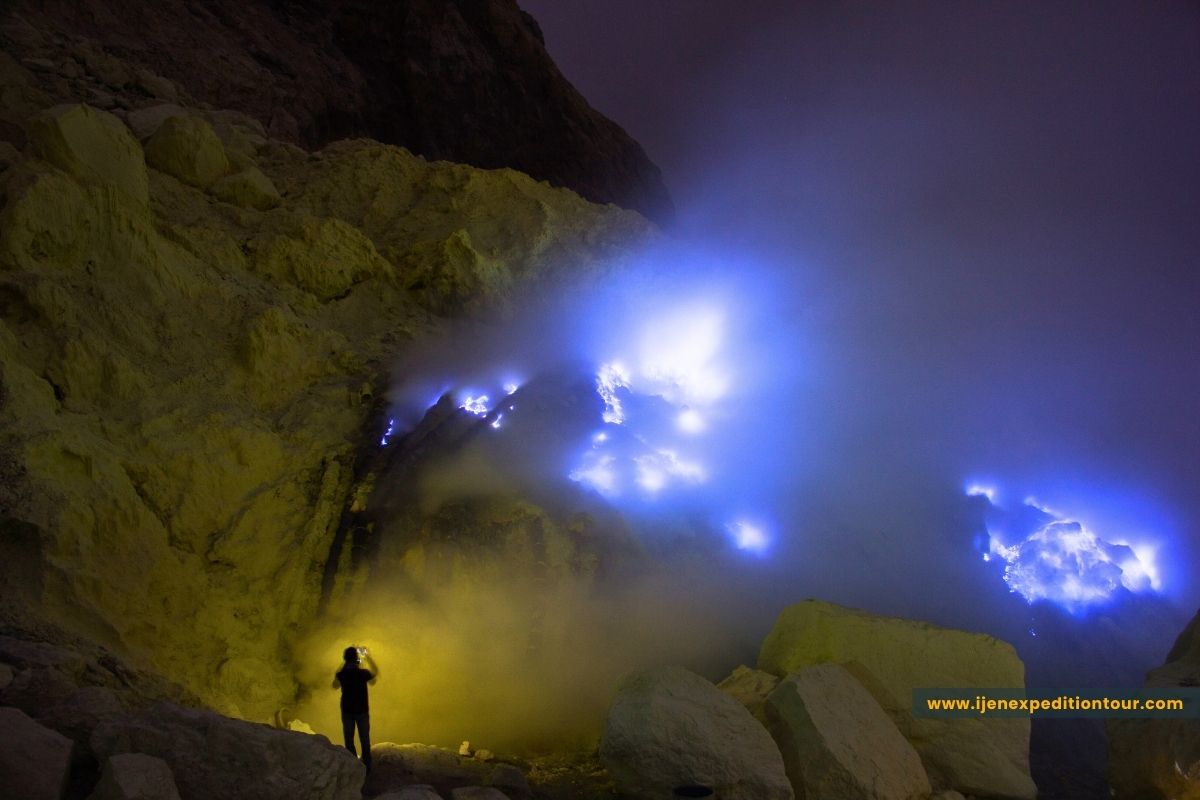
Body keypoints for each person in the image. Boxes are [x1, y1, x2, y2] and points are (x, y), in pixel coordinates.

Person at [333, 645, 378, 770]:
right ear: (356, 658)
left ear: (345, 658)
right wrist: (367, 657)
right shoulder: (363, 673)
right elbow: (374, 676)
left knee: (349, 739)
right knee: (364, 739)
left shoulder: (342, 674)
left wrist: (345, 663)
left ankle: (353, 766)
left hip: (347, 711)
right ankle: (367, 767)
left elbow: (334, 685)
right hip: (362, 711)